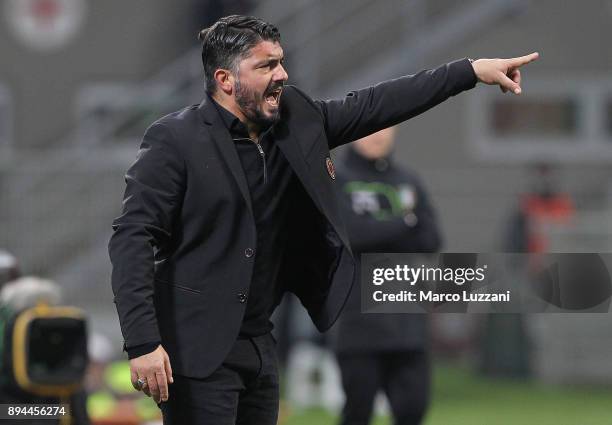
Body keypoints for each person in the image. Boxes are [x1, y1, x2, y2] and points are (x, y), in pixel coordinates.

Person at [108, 14, 539, 424]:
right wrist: (144, 342)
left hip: (260, 345)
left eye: (281, 62)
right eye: (267, 65)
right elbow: (132, 236)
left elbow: (376, 104)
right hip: (195, 349)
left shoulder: (296, 119)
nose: (282, 75)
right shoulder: (175, 140)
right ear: (225, 80)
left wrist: (469, 71)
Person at [332, 127, 440, 425]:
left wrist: (381, 230)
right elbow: (351, 234)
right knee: (358, 412)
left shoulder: (408, 179)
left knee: (412, 409)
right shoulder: (338, 178)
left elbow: (430, 240)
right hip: (358, 320)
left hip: (407, 320)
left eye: (385, 126)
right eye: (369, 128)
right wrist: (405, 221)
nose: (377, 134)